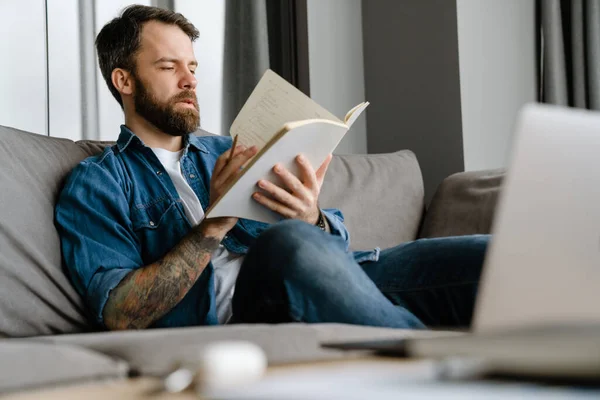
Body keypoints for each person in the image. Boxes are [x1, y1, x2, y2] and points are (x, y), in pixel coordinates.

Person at [55, 5, 489, 331]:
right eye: (169, 67)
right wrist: (213, 225)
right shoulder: (98, 183)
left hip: (343, 273)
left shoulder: (232, 150)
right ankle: (433, 366)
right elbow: (120, 312)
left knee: (489, 256)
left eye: (192, 67)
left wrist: (312, 217)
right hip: (250, 307)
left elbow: (326, 247)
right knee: (288, 246)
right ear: (124, 81)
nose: (189, 80)